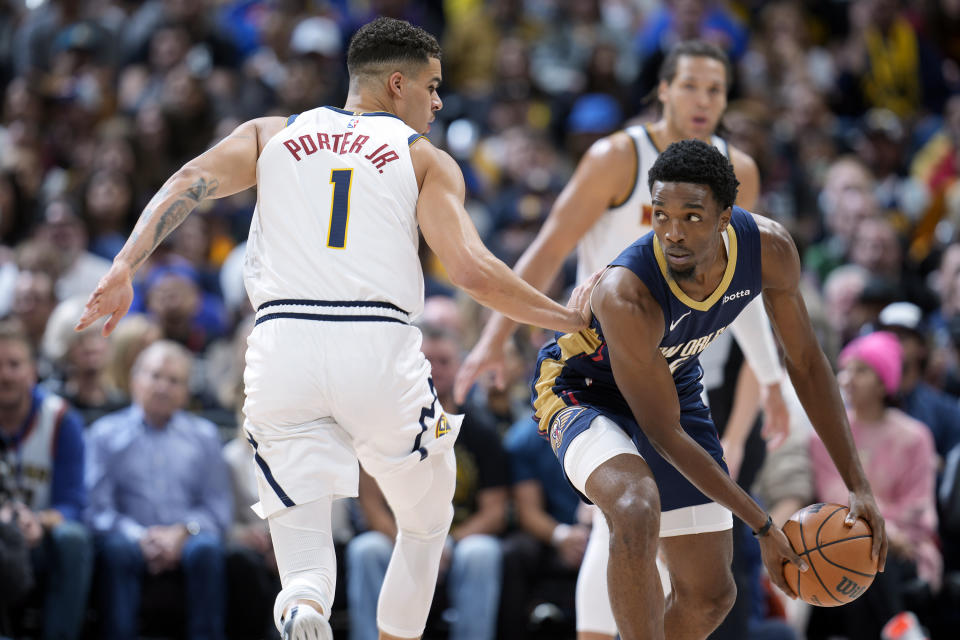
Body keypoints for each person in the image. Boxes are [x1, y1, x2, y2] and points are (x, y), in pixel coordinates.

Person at [76, 17, 593, 640]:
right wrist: (565, 315)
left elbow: (189, 181)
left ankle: (303, 608)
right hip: (374, 345)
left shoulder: (272, 134)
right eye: (431, 86)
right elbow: (473, 273)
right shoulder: (421, 157)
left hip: (280, 347)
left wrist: (125, 263)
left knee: (302, 551)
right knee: (427, 523)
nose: (437, 101)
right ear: (396, 83)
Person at [455, 39, 787, 640]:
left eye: (715, 89)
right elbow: (550, 248)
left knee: (689, 572)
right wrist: (494, 337)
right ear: (662, 88)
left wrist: (769, 379)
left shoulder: (738, 173)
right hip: (599, 365)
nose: (703, 100)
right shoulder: (618, 157)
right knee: (625, 519)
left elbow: (747, 284)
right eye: (690, 85)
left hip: (685, 370)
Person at [525, 139, 888, 640]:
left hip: (671, 383)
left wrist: (857, 483)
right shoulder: (627, 293)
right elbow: (664, 435)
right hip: (583, 392)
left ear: (724, 217)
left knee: (711, 597)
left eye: (691, 217)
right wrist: (762, 525)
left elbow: (805, 362)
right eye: (660, 214)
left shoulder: (769, 249)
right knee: (634, 505)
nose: (673, 232)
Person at [347, 322, 508, 640]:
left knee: (483, 553)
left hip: (459, 539)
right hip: (394, 535)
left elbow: (495, 511)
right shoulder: (384, 424)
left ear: (461, 366)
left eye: (445, 361)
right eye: (427, 360)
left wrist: (446, 542)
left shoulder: (482, 431)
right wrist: (410, 541)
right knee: (365, 550)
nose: (435, 369)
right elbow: (370, 503)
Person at [85, 340, 233, 640]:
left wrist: (183, 532)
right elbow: (96, 508)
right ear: (135, 380)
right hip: (129, 538)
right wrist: (141, 537)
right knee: (116, 549)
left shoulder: (204, 437)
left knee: (207, 548)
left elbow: (218, 509)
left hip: (188, 538)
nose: (163, 387)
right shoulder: (104, 435)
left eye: (174, 380)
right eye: (155, 376)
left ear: (186, 391)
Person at [0, 321, 92, 640]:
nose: (5, 375)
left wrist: (38, 521)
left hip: (41, 537)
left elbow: (72, 503)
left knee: (74, 538)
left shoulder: (61, 419)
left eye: (14, 364)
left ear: (32, 370)